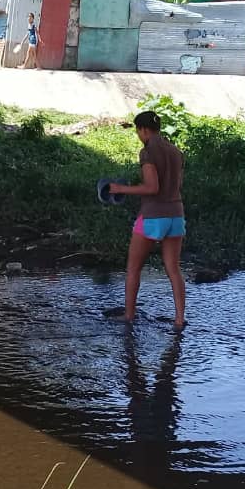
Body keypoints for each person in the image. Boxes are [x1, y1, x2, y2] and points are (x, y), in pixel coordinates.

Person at [107, 111, 186, 330]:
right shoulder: (175, 151)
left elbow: (152, 188)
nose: (139, 136)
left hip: (153, 216)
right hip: (176, 215)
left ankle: (129, 315)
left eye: (137, 132)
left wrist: (120, 188)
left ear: (143, 130)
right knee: (173, 269)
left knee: (133, 268)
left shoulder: (148, 152)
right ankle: (179, 320)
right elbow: (176, 184)